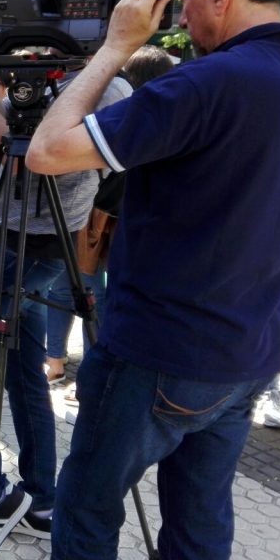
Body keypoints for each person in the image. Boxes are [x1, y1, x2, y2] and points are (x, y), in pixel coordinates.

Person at [27, 0, 280, 560]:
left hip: (159, 350)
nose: (175, 14)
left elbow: (45, 151)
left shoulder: (204, 83)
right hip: (250, 354)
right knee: (200, 528)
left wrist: (114, 48)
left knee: (87, 507)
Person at [0, 47, 131, 559]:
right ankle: (41, 500)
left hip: (29, 246)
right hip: (16, 240)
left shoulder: (108, 88)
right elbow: (4, 149)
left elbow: (24, 159)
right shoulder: (37, 82)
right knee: (20, 367)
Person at [44, 45, 175, 384]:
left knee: (75, 288)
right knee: (97, 293)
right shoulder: (162, 116)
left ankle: (62, 363)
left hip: (93, 211)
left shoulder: (121, 106)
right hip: (117, 213)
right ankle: (89, 369)